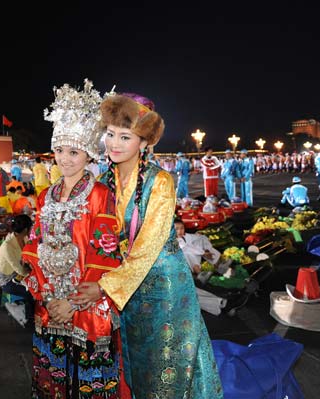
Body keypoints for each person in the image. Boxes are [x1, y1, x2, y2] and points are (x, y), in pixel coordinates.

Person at [74, 92, 223, 398]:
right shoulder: (103, 180)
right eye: (110, 134)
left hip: (165, 287)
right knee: (135, 362)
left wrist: (104, 286)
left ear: (144, 143)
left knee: (167, 365)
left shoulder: (161, 182)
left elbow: (148, 245)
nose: (114, 143)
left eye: (125, 136)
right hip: (125, 287)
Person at [21, 79, 125, 398]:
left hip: (86, 306)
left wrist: (71, 302)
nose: (65, 159)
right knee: (53, 381)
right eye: (60, 150)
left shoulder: (100, 195)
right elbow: (34, 247)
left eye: (74, 152)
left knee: (88, 384)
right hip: (51, 306)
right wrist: (49, 299)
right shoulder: (45, 197)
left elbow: (104, 253)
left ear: (89, 154)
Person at [0, 214, 34, 327]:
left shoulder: (25, 239)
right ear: (26, 229)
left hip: (21, 273)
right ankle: (28, 317)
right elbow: (18, 269)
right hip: (8, 279)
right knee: (32, 291)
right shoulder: (7, 246)